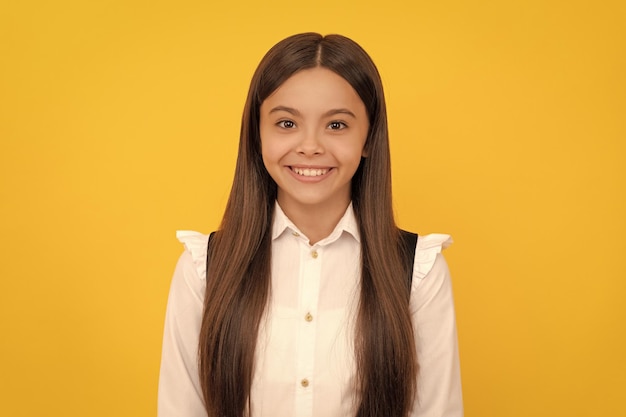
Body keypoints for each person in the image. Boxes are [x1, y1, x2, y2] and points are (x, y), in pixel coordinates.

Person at [158, 32, 463, 417]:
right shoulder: (203, 270)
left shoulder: (419, 272)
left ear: (369, 137)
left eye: (336, 126)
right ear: (257, 134)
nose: (310, 146)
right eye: (287, 123)